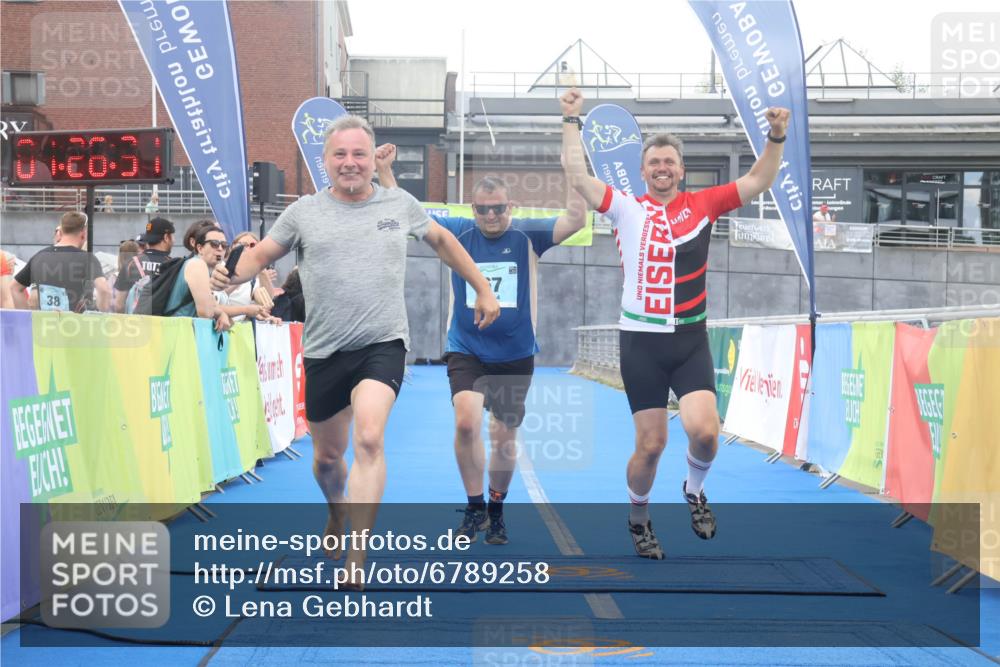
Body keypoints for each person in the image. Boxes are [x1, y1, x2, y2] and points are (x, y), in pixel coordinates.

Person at [210, 115, 500, 582]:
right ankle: (337, 511)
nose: (350, 163)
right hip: (325, 350)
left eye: (359, 154)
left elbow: (445, 242)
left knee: (369, 438)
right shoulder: (303, 212)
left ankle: (357, 557)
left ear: (371, 159)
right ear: (325, 161)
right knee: (328, 459)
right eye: (340, 155)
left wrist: (482, 287)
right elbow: (261, 256)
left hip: (382, 343)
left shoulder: (399, 204)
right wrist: (231, 274)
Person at [560, 87, 790, 559]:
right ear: (643, 171)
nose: (662, 169)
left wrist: (776, 136)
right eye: (654, 163)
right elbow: (577, 175)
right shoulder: (625, 206)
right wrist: (570, 120)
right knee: (651, 444)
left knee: (705, 432)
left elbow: (759, 179)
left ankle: (694, 490)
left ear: (681, 170)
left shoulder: (703, 205)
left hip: (689, 339)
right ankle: (639, 517)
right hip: (641, 343)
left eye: (670, 162)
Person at [378, 153, 586, 544]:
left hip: (515, 354)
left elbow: (576, 219)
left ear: (512, 207)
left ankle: (496, 507)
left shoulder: (528, 235)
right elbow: (409, 213)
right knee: (467, 422)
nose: (491, 216)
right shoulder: (457, 232)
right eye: (483, 210)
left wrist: (575, 172)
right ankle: (474, 505)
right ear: (472, 209)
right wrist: (386, 172)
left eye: (498, 209)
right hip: (467, 347)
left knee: (503, 437)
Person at [12, 211, 111, 313]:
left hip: (44, 325)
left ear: (60, 231)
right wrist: (102, 314)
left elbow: (15, 287)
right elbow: (104, 290)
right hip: (75, 325)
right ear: (84, 234)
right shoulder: (87, 259)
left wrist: (27, 318)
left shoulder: (39, 256)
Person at [163, 226, 232, 331]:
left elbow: (210, 308)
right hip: (180, 333)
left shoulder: (195, 265)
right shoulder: (197, 265)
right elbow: (206, 312)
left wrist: (221, 313)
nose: (220, 248)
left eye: (224, 245)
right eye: (214, 244)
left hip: (180, 332)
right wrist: (221, 313)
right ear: (200, 248)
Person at [114, 216, 176, 313]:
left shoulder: (131, 264)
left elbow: (119, 304)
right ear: (166, 237)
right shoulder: (173, 265)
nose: (174, 240)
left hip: (136, 324)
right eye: (172, 236)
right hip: (162, 325)